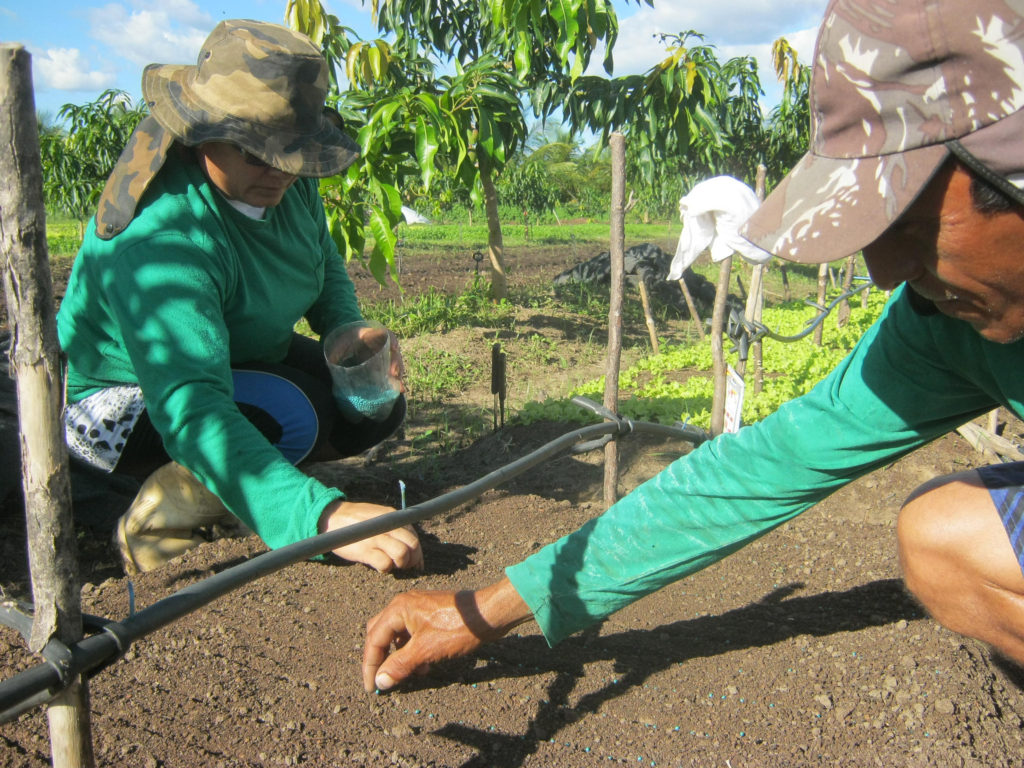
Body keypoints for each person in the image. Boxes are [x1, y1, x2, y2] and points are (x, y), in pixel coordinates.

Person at [362, 0, 1024, 693]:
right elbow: (759, 470)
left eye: (913, 228)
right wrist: (480, 611)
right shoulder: (941, 325)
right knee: (948, 542)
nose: (888, 275)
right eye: (874, 240)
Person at [56, 19, 422, 575]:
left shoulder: (290, 186)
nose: (280, 173)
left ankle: (243, 478)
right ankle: (169, 504)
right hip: (124, 401)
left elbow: (321, 263)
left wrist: (344, 326)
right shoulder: (164, 236)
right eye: (258, 154)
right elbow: (189, 404)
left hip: (227, 355)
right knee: (291, 412)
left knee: (371, 401)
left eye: (293, 155)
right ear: (202, 134)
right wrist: (319, 519)